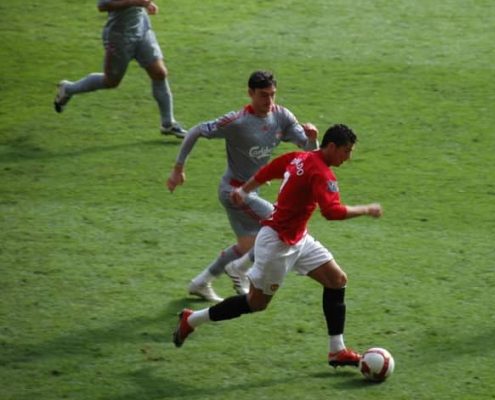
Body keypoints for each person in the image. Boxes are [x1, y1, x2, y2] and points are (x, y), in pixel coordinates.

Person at [172, 124, 383, 368]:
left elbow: (269, 170)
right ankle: (192, 320)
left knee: (337, 280)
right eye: (346, 151)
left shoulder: (300, 157)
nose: (349, 157)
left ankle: (337, 351)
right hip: (277, 245)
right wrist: (367, 209)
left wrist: (244, 189)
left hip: (298, 239)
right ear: (332, 147)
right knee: (256, 303)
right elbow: (331, 212)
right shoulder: (322, 174)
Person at [166, 70, 318, 303]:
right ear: (250, 94)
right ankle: (239, 271)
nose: (269, 101)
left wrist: (312, 138)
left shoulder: (282, 117)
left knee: (247, 245)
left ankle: (201, 282)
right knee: (281, 222)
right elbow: (197, 130)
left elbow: (310, 155)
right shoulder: (237, 122)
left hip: (250, 191)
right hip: (233, 191)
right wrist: (178, 168)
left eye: (272, 95)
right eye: (263, 95)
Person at [53, 0, 186, 138]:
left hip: (142, 30)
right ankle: (68, 89)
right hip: (119, 37)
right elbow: (103, 5)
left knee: (159, 73)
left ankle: (168, 123)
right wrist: (135, 2)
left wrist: (146, 5)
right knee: (111, 81)